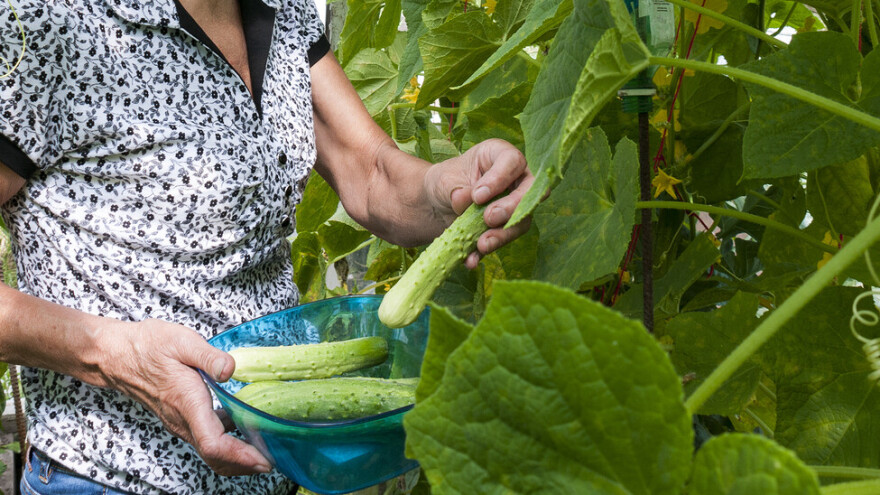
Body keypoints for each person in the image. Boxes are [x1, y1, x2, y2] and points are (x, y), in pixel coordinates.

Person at [0, 0, 533, 494]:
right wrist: (113, 355)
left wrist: (450, 188)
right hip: (110, 474)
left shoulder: (282, 8)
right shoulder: (47, 18)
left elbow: (369, 171)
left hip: (273, 464)